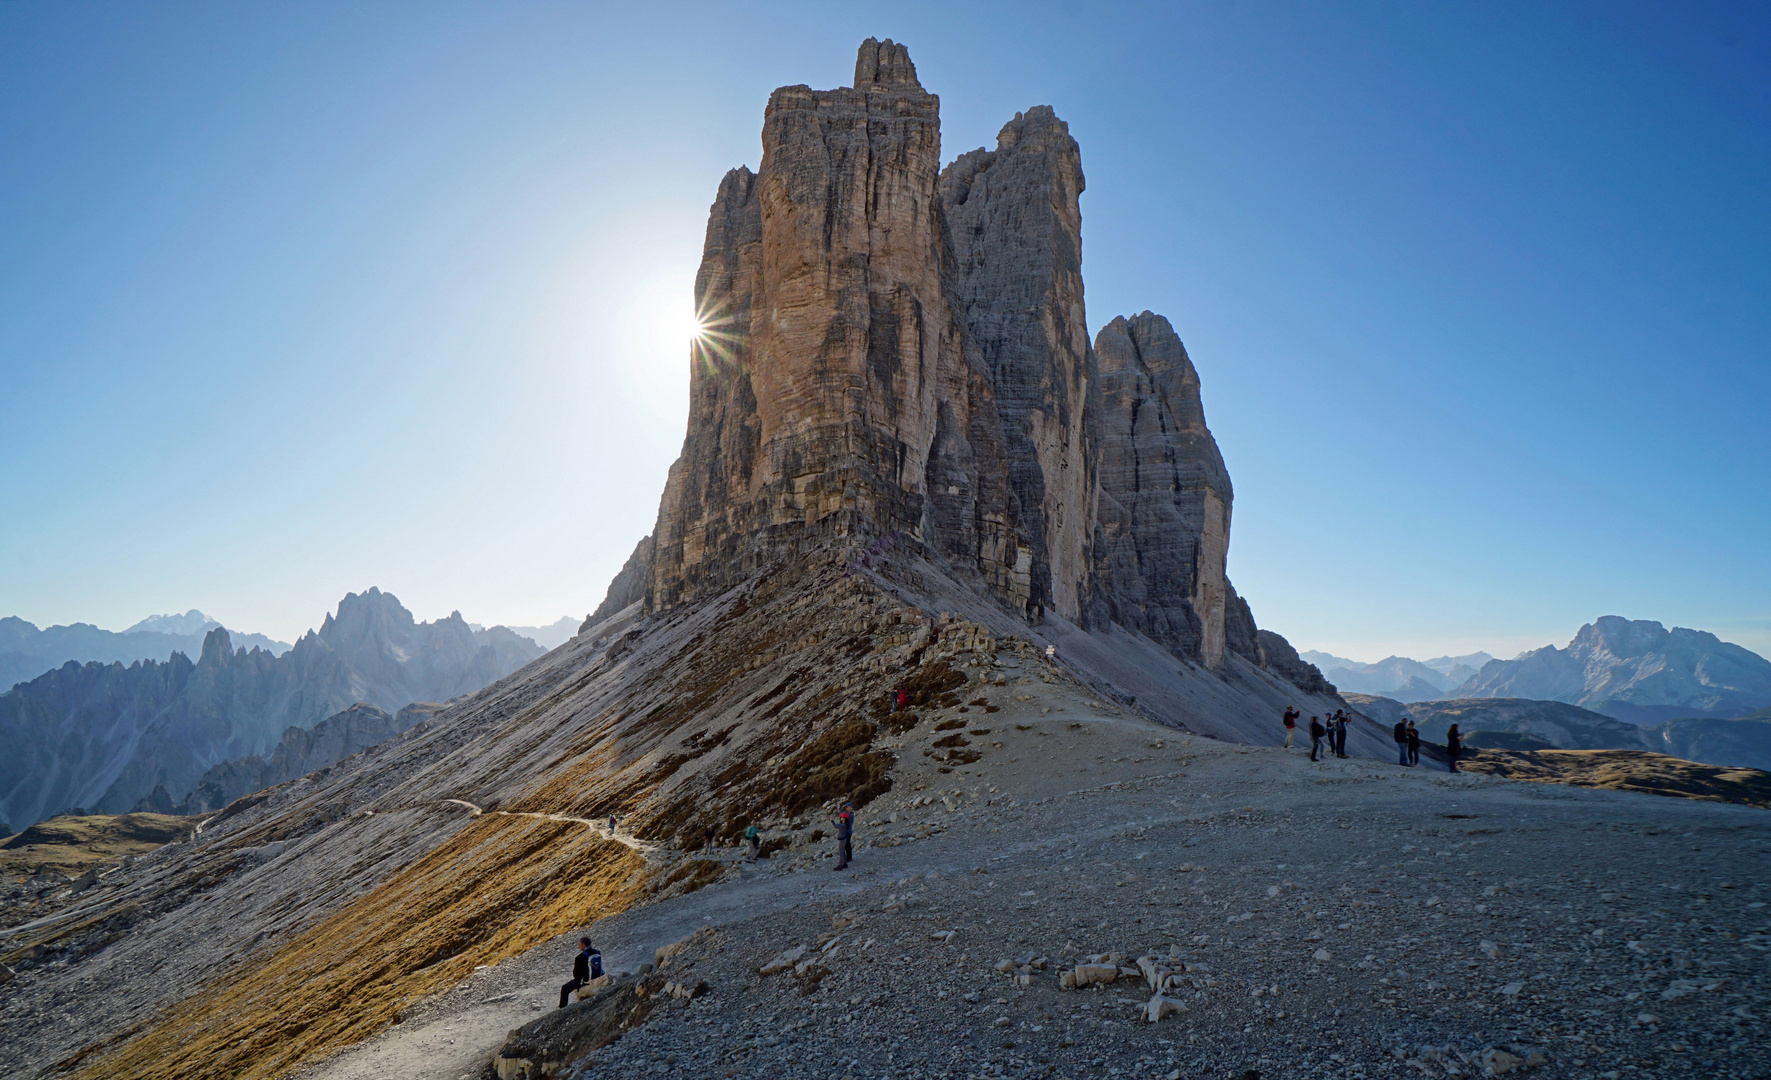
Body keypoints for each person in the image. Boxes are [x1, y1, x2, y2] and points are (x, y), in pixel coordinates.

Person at [558, 937, 602, 1008]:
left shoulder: (580, 957)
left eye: (579, 944)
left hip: (585, 981)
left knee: (564, 989)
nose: (579, 946)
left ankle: (562, 1008)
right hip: (598, 977)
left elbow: (576, 974)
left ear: (583, 945)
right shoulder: (597, 952)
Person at [833, 806, 853, 871]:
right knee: (843, 852)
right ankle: (844, 863)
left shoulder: (843, 825)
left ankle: (840, 865)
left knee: (841, 852)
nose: (840, 818)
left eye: (841, 817)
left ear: (844, 818)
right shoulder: (844, 825)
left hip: (841, 840)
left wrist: (832, 821)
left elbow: (836, 826)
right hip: (843, 839)